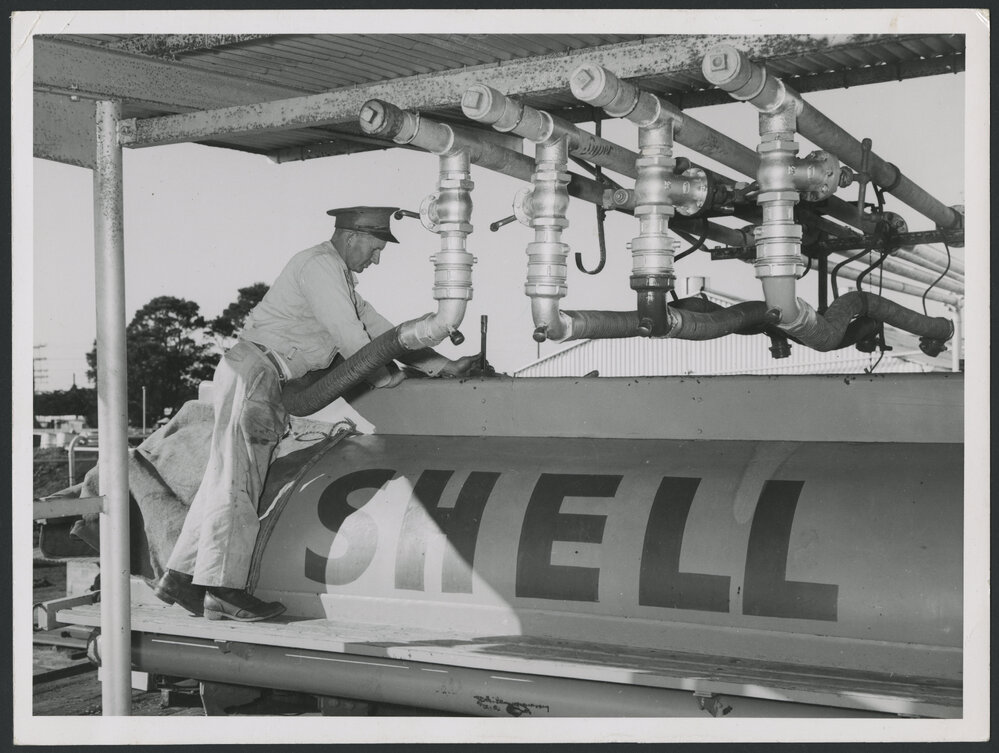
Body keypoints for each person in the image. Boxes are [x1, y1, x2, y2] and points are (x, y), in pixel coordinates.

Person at [154, 206, 480, 621]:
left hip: (258, 375)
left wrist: (443, 366)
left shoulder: (337, 276)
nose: (376, 259)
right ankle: (224, 589)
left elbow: (383, 330)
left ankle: (180, 578)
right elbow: (352, 337)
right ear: (350, 237)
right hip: (257, 373)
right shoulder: (321, 267)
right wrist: (383, 379)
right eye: (375, 248)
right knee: (240, 481)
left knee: (227, 477)